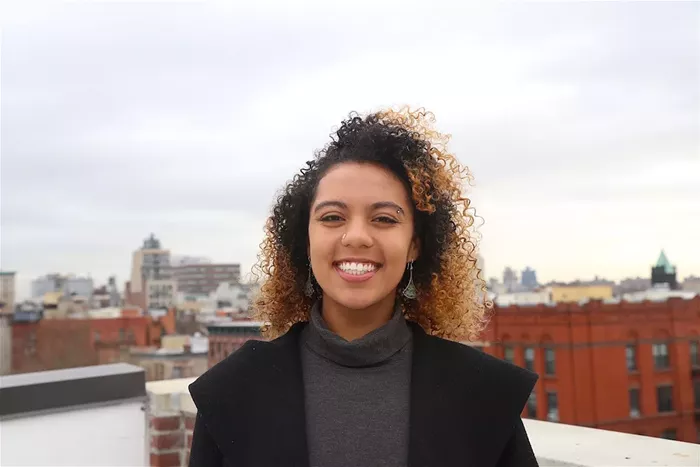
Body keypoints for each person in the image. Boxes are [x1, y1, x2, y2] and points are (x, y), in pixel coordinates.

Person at [188, 108, 539, 467]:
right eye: (332, 217)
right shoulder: (231, 392)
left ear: (415, 244)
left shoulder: (483, 395)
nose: (356, 236)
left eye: (384, 219)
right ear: (306, 243)